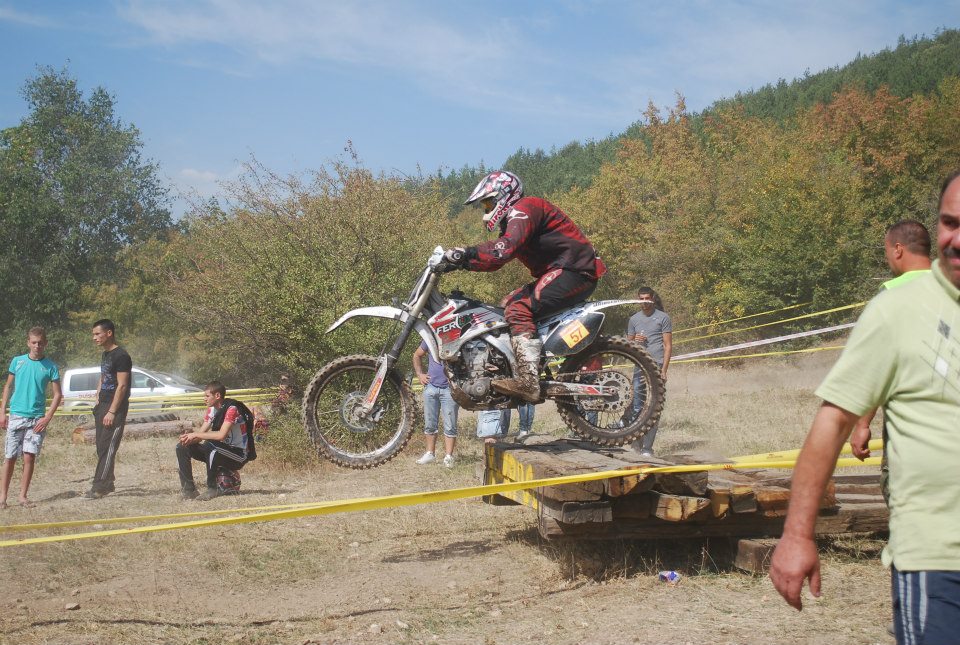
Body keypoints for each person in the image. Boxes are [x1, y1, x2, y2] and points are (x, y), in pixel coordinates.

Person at [769, 172, 960, 644]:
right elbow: (833, 419)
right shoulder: (896, 309)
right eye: (950, 223)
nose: (956, 239)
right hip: (937, 558)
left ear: (895, 251)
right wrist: (797, 535)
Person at [444, 170, 606, 402]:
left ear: (504, 195)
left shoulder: (525, 208)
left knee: (518, 308)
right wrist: (462, 263)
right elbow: (496, 261)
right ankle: (522, 365)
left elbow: (505, 249)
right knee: (505, 306)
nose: (486, 209)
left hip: (575, 270)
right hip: (562, 272)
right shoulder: (515, 218)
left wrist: (466, 252)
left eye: (488, 202)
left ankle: (529, 382)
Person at [848, 220, 932, 497]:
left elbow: (879, 365)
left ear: (898, 249)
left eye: (886, 252)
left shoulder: (892, 293)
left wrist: (862, 424)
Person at [0, 327, 62, 508]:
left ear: (45, 343)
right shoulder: (17, 361)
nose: (37, 346)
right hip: (16, 415)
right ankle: (2, 497)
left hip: (36, 419)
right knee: (10, 457)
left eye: (40, 343)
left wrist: (47, 417)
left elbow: (58, 395)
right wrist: (2, 412)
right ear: (28, 343)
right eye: (34, 342)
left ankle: (23, 496)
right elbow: (8, 387)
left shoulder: (51, 366)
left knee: (29, 457)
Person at [176, 381, 251, 500]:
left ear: (217, 395)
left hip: (238, 455)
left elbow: (221, 435)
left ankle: (212, 488)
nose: (204, 399)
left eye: (207, 396)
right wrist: (188, 438)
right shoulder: (211, 410)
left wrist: (195, 434)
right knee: (182, 446)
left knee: (211, 444)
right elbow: (201, 435)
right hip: (219, 451)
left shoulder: (232, 409)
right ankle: (189, 490)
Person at [85, 319, 131, 499]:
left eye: (97, 334)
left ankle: (99, 487)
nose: (94, 338)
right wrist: (97, 398)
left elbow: (122, 386)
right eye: (93, 334)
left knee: (108, 447)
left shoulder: (122, 356)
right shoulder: (106, 354)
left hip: (115, 407)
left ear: (109, 333)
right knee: (101, 446)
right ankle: (108, 482)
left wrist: (112, 411)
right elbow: (104, 376)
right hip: (102, 404)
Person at [626, 287, 671, 456]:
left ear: (652, 298)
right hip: (640, 365)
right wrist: (635, 340)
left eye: (647, 298)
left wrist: (664, 370)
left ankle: (647, 448)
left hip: (656, 366)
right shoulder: (633, 319)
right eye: (641, 299)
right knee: (637, 406)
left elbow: (668, 346)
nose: (644, 302)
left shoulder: (663, 317)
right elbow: (628, 343)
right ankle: (636, 443)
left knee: (654, 407)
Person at [412, 341, 459, 467]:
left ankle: (448, 457)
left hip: (450, 389)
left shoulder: (456, 338)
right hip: (431, 387)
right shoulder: (430, 339)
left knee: (450, 425)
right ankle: (430, 454)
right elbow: (416, 355)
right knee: (430, 423)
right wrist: (419, 374)